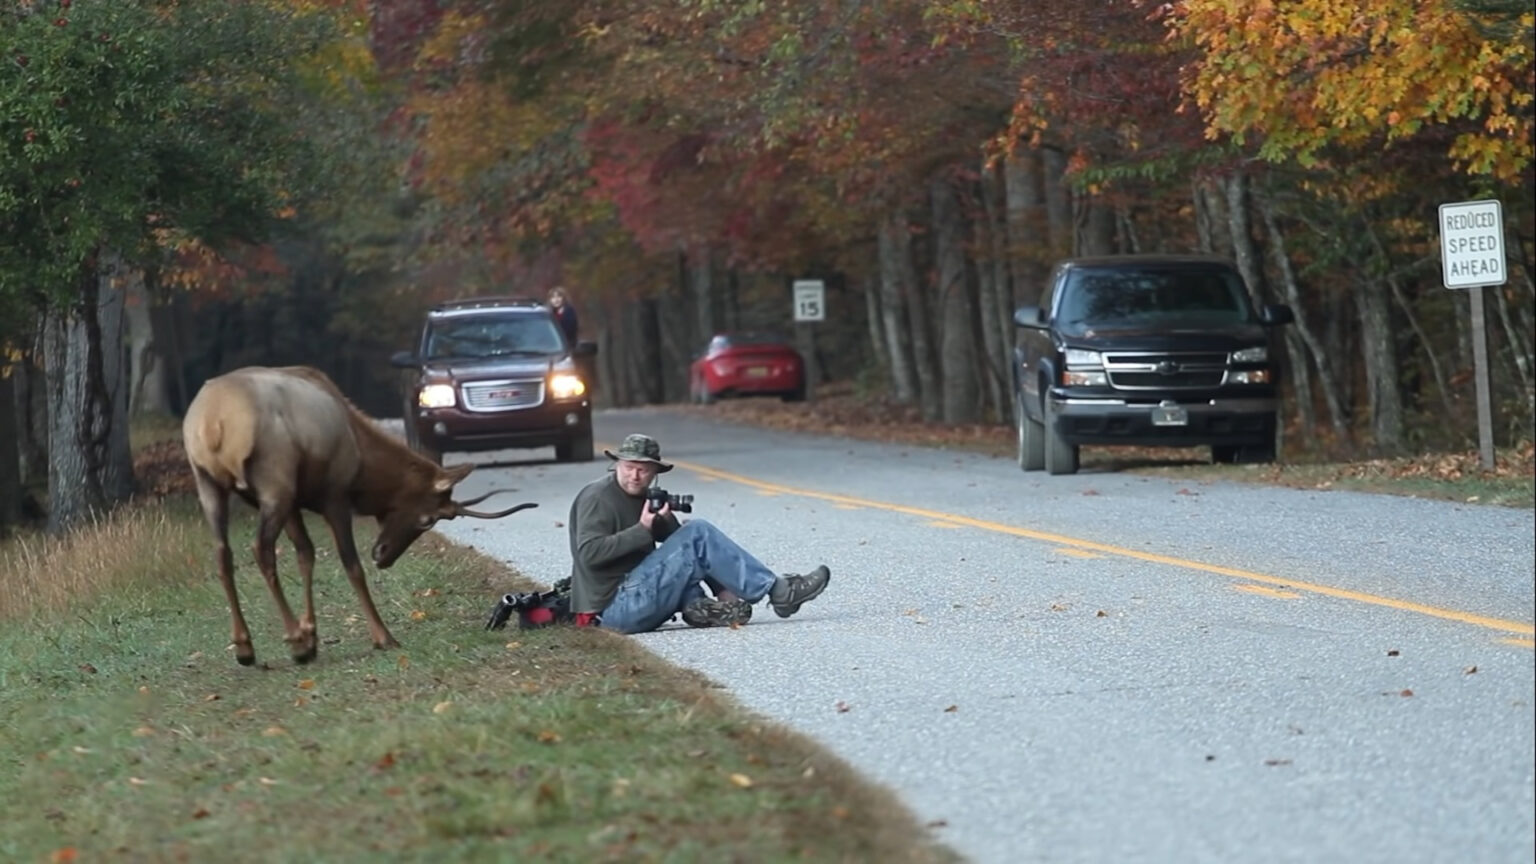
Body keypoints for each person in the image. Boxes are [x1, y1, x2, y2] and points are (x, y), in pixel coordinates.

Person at [567, 433, 831, 633]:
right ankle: (780, 593)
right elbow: (590, 554)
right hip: (612, 611)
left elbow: (677, 550)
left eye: (643, 469)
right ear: (617, 465)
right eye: (629, 467)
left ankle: (698, 608)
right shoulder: (597, 497)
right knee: (697, 532)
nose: (635, 476)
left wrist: (666, 520)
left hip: (637, 596)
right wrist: (643, 528)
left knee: (689, 536)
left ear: (654, 473)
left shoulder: (645, 496)